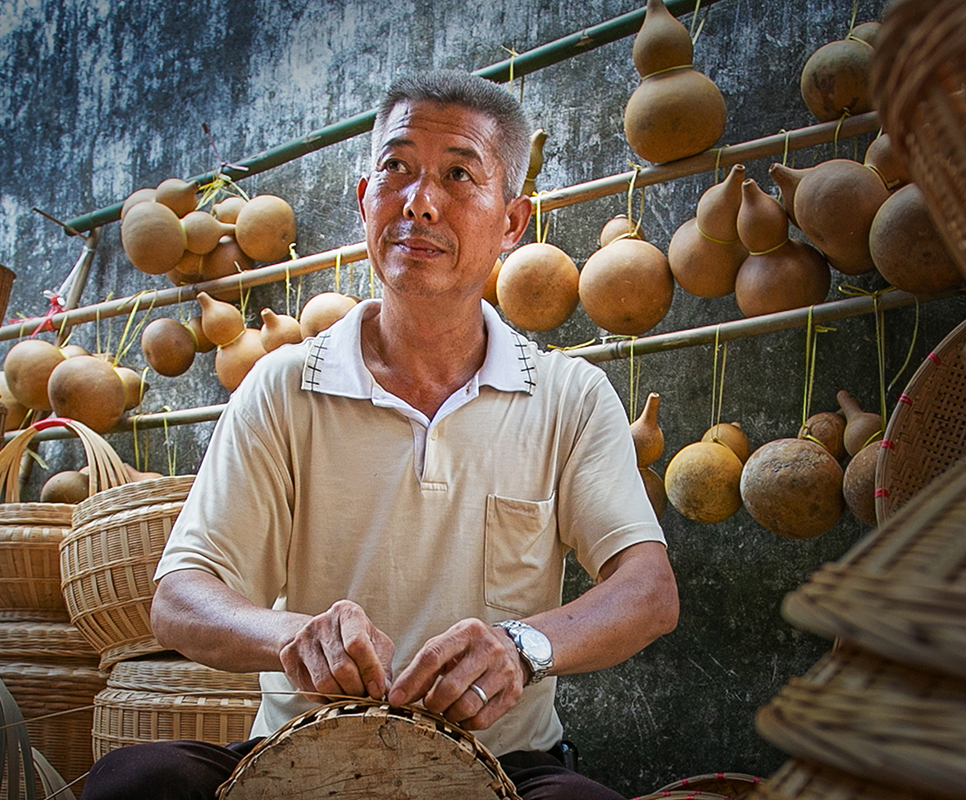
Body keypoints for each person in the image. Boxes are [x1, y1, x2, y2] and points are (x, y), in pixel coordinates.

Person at [81, 69, 678, 800]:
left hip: (498, 765)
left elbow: (649, 590)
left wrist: (523, 647)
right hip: (305, 755)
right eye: (396, 169)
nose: (420, 202)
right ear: (365, 201)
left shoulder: (568, 394)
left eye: (459, 175)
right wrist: (292, 637)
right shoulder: (282, 385)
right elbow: (179, 597)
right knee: (133, 783)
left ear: (512, 222)